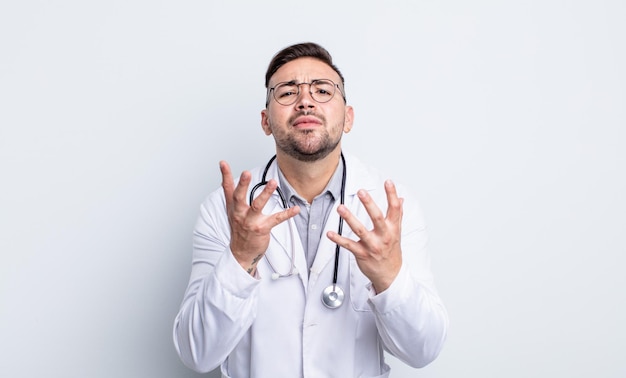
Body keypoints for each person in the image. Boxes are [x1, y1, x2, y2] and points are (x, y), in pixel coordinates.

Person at [173, 42, 448, 377]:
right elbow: (197, 352)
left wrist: (388, 276)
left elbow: (423, 350)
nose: (305, 100)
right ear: (266, 122)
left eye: (322, 90)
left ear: (348, 118)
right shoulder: (223, 209)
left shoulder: (390, 208)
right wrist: (240, 258)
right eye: (287, 92)